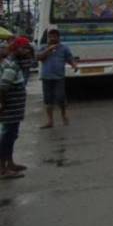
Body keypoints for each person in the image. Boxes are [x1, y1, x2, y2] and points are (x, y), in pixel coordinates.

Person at [0, 37, 32, 179]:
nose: (26, 51)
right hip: (10, 110)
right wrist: (2, 105)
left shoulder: (15, 63)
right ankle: (2, 169)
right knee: (7, 137)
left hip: (15, 111)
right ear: (16, 49)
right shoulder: (11, 65)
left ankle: (10, 163)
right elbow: (3, 88)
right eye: (23, 48)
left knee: (12, 136)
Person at [37, 29, 77, 129]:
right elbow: (38, 58)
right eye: (50, 36)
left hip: (59, 77)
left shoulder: (64, 48)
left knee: (60, 98)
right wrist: (48, 49)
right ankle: (50, 121)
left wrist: (74, 65)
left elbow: (69, 58)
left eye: (55, 36)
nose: (52, 38)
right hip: (46, 77)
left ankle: (63, 115)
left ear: (59, 37)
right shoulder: (43, 47)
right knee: (48, 100)